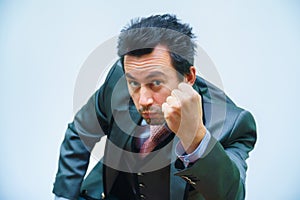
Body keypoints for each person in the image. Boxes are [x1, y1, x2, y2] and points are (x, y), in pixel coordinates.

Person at [53, 14, 257, 200]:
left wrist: (196, 137)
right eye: (134, 83)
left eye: (156, 83)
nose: (143, 100)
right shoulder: (118, 80)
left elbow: (231, 196)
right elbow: (80, 133)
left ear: (189, 77)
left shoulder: (232, 123)